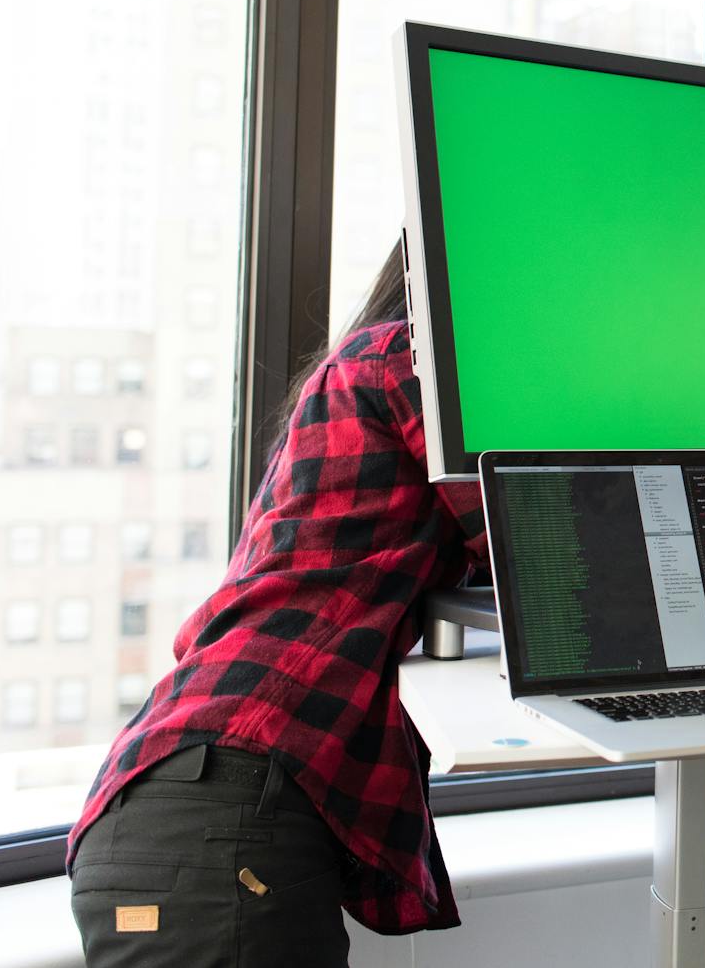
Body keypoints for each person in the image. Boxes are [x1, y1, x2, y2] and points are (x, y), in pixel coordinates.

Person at [67, 245, 484, 965]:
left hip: (176, 806)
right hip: (218, 816)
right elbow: (535, 548)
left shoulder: (355, 374)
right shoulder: (409, 358)